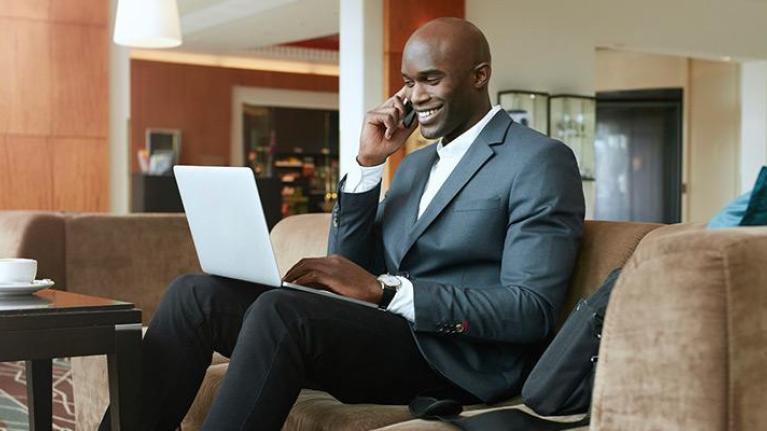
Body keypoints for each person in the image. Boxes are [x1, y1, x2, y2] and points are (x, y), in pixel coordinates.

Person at [101, 17, 584, 431]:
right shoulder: (414, 164)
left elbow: (530, 309)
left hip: (458, 359)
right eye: (408, 81)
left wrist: (389, 293)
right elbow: (352, 264)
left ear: (480, 76)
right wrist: (368, 164)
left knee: (280, 312)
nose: (416, 96)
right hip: (388, 335)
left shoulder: (538, 160)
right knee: (195, 294)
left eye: (431, 80)